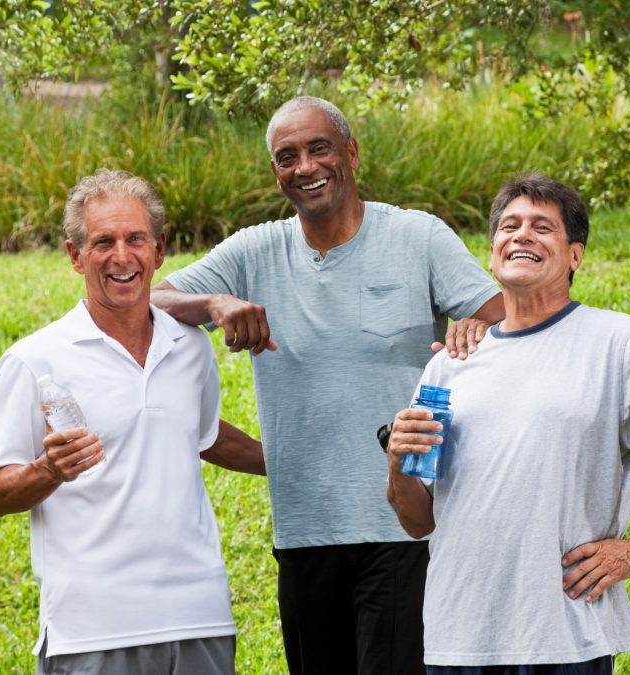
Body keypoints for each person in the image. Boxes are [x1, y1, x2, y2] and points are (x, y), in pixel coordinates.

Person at [151, 96, 504, 674]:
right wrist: (215, 300)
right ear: (276, 172)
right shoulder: (253, 251)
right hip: (304, 531)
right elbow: (150, 301)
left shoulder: (418, 238)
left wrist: (473, 331)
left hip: (405, 526)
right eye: (287, 157)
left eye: (320, 148)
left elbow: (507, 325)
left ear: (352, 153)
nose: (305, 167)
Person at [385, 174, 630, 674]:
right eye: (509, 226)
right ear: (492, 251)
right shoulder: (450, 364)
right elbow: (418, 521)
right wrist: (397, 466)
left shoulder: (616, 342)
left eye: (542, 227)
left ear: (574, 255)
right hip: (457, 638)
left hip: (563, 637)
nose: (521, 236)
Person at [0, 169, 265, 674]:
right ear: (75, 256)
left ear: (159, 249)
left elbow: (202, 436)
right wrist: (50, 471)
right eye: (102, 242)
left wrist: (300, 462)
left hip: (200, 619)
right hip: (92, 628)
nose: (121, 256)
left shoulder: (191, 347)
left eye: (135, 239)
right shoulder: (34, 360)